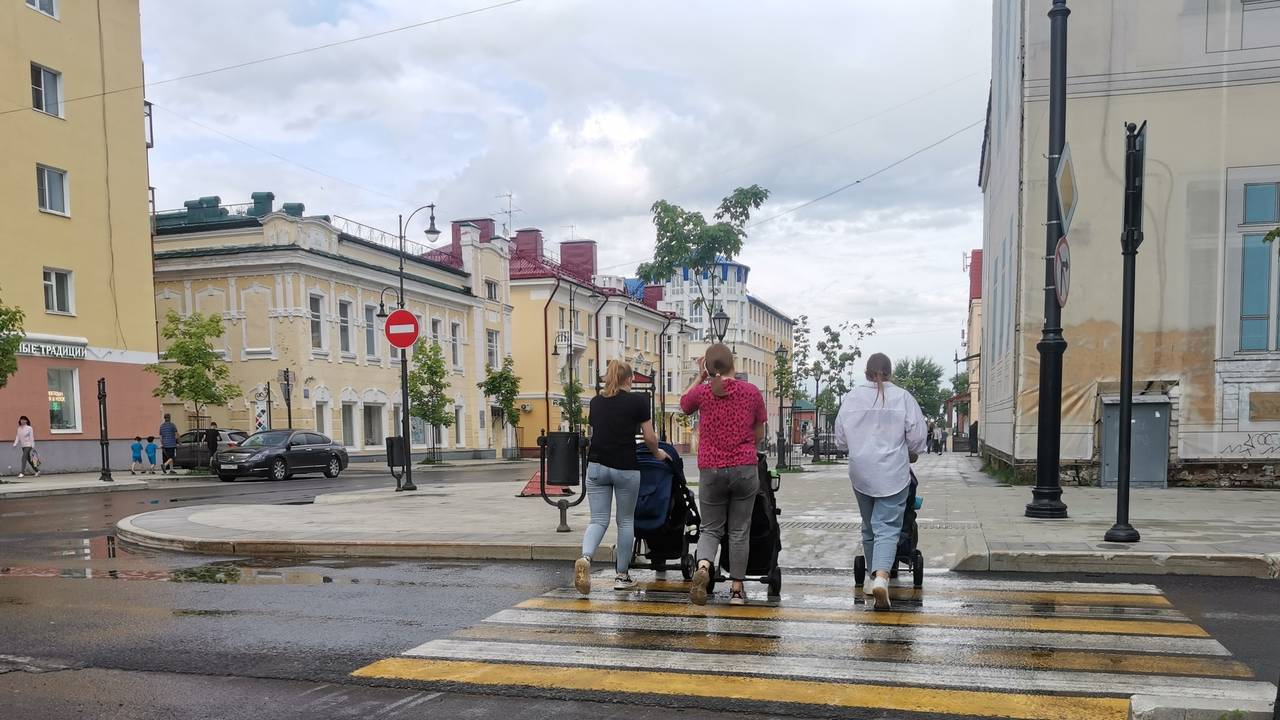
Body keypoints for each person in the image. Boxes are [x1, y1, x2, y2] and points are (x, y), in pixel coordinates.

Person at [835, 353, 927, 610]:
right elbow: (918, 438)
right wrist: (910, 450)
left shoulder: (852, 398)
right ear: (890, 372)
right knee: (887, 526)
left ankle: (871, 576)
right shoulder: (903, 398)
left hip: (861, 471)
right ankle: (882, 578)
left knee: (869, 526)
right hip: (893, 472)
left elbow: (840, 440)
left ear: (866, 372)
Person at [681, 344, 766, 606]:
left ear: (708, 368)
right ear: (733, 363)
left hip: (711, 469)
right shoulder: (751, 392)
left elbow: (684, 404)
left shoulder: (704, 393)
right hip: (743, 469)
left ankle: (704, 566)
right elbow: (759, 434)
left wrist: (700, 377)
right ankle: (737, 590)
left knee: (710, 528)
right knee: (739, 530)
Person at [575, 360, 669, 594]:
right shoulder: (638, 401)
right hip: (625, 467)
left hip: (596, 466)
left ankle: (585, 558)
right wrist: (657, 453)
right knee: (625, 521)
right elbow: (649, 437)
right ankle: (622, 576)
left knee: (598, 520)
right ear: (630, 379)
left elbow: (598, 430)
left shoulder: (596, 402)